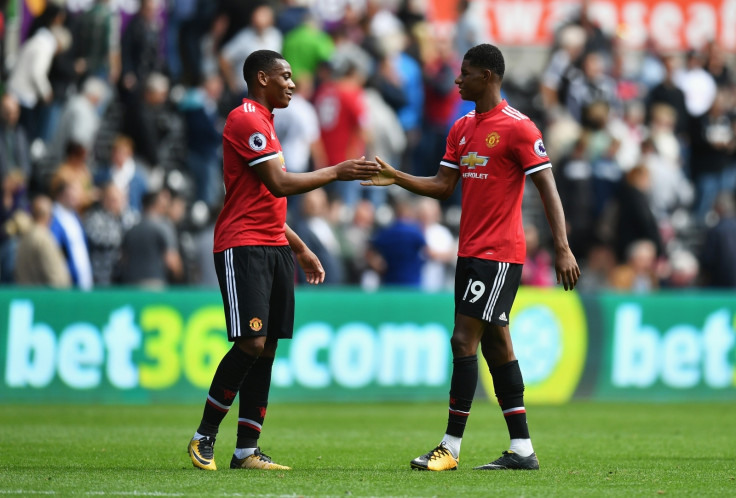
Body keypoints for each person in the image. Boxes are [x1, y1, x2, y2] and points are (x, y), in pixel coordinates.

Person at [362, 44, 580, 471]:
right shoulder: (461, 127)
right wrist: (397, 177)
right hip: (470, 252)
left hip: (499, 254)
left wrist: (562, 246)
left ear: (488, 76)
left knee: (464, 339)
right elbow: (444, 186)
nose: (457, 80)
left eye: (465, 73)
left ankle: (450, 448)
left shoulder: (518, 128)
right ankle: (521, 450)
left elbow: (547, 187)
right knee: (497, 347)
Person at [187, 49, 377, 471]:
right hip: (243, 246)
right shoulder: (246, 119)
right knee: (251, 342)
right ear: (261, 78)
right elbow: (279, 182)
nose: (292, 83)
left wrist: (300, 247)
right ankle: (205, 435)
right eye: (285, 76)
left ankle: (246, 451)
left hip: (273, 245)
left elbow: (266, 199)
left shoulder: (267, 124)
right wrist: (336, 171)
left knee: (267, 348)